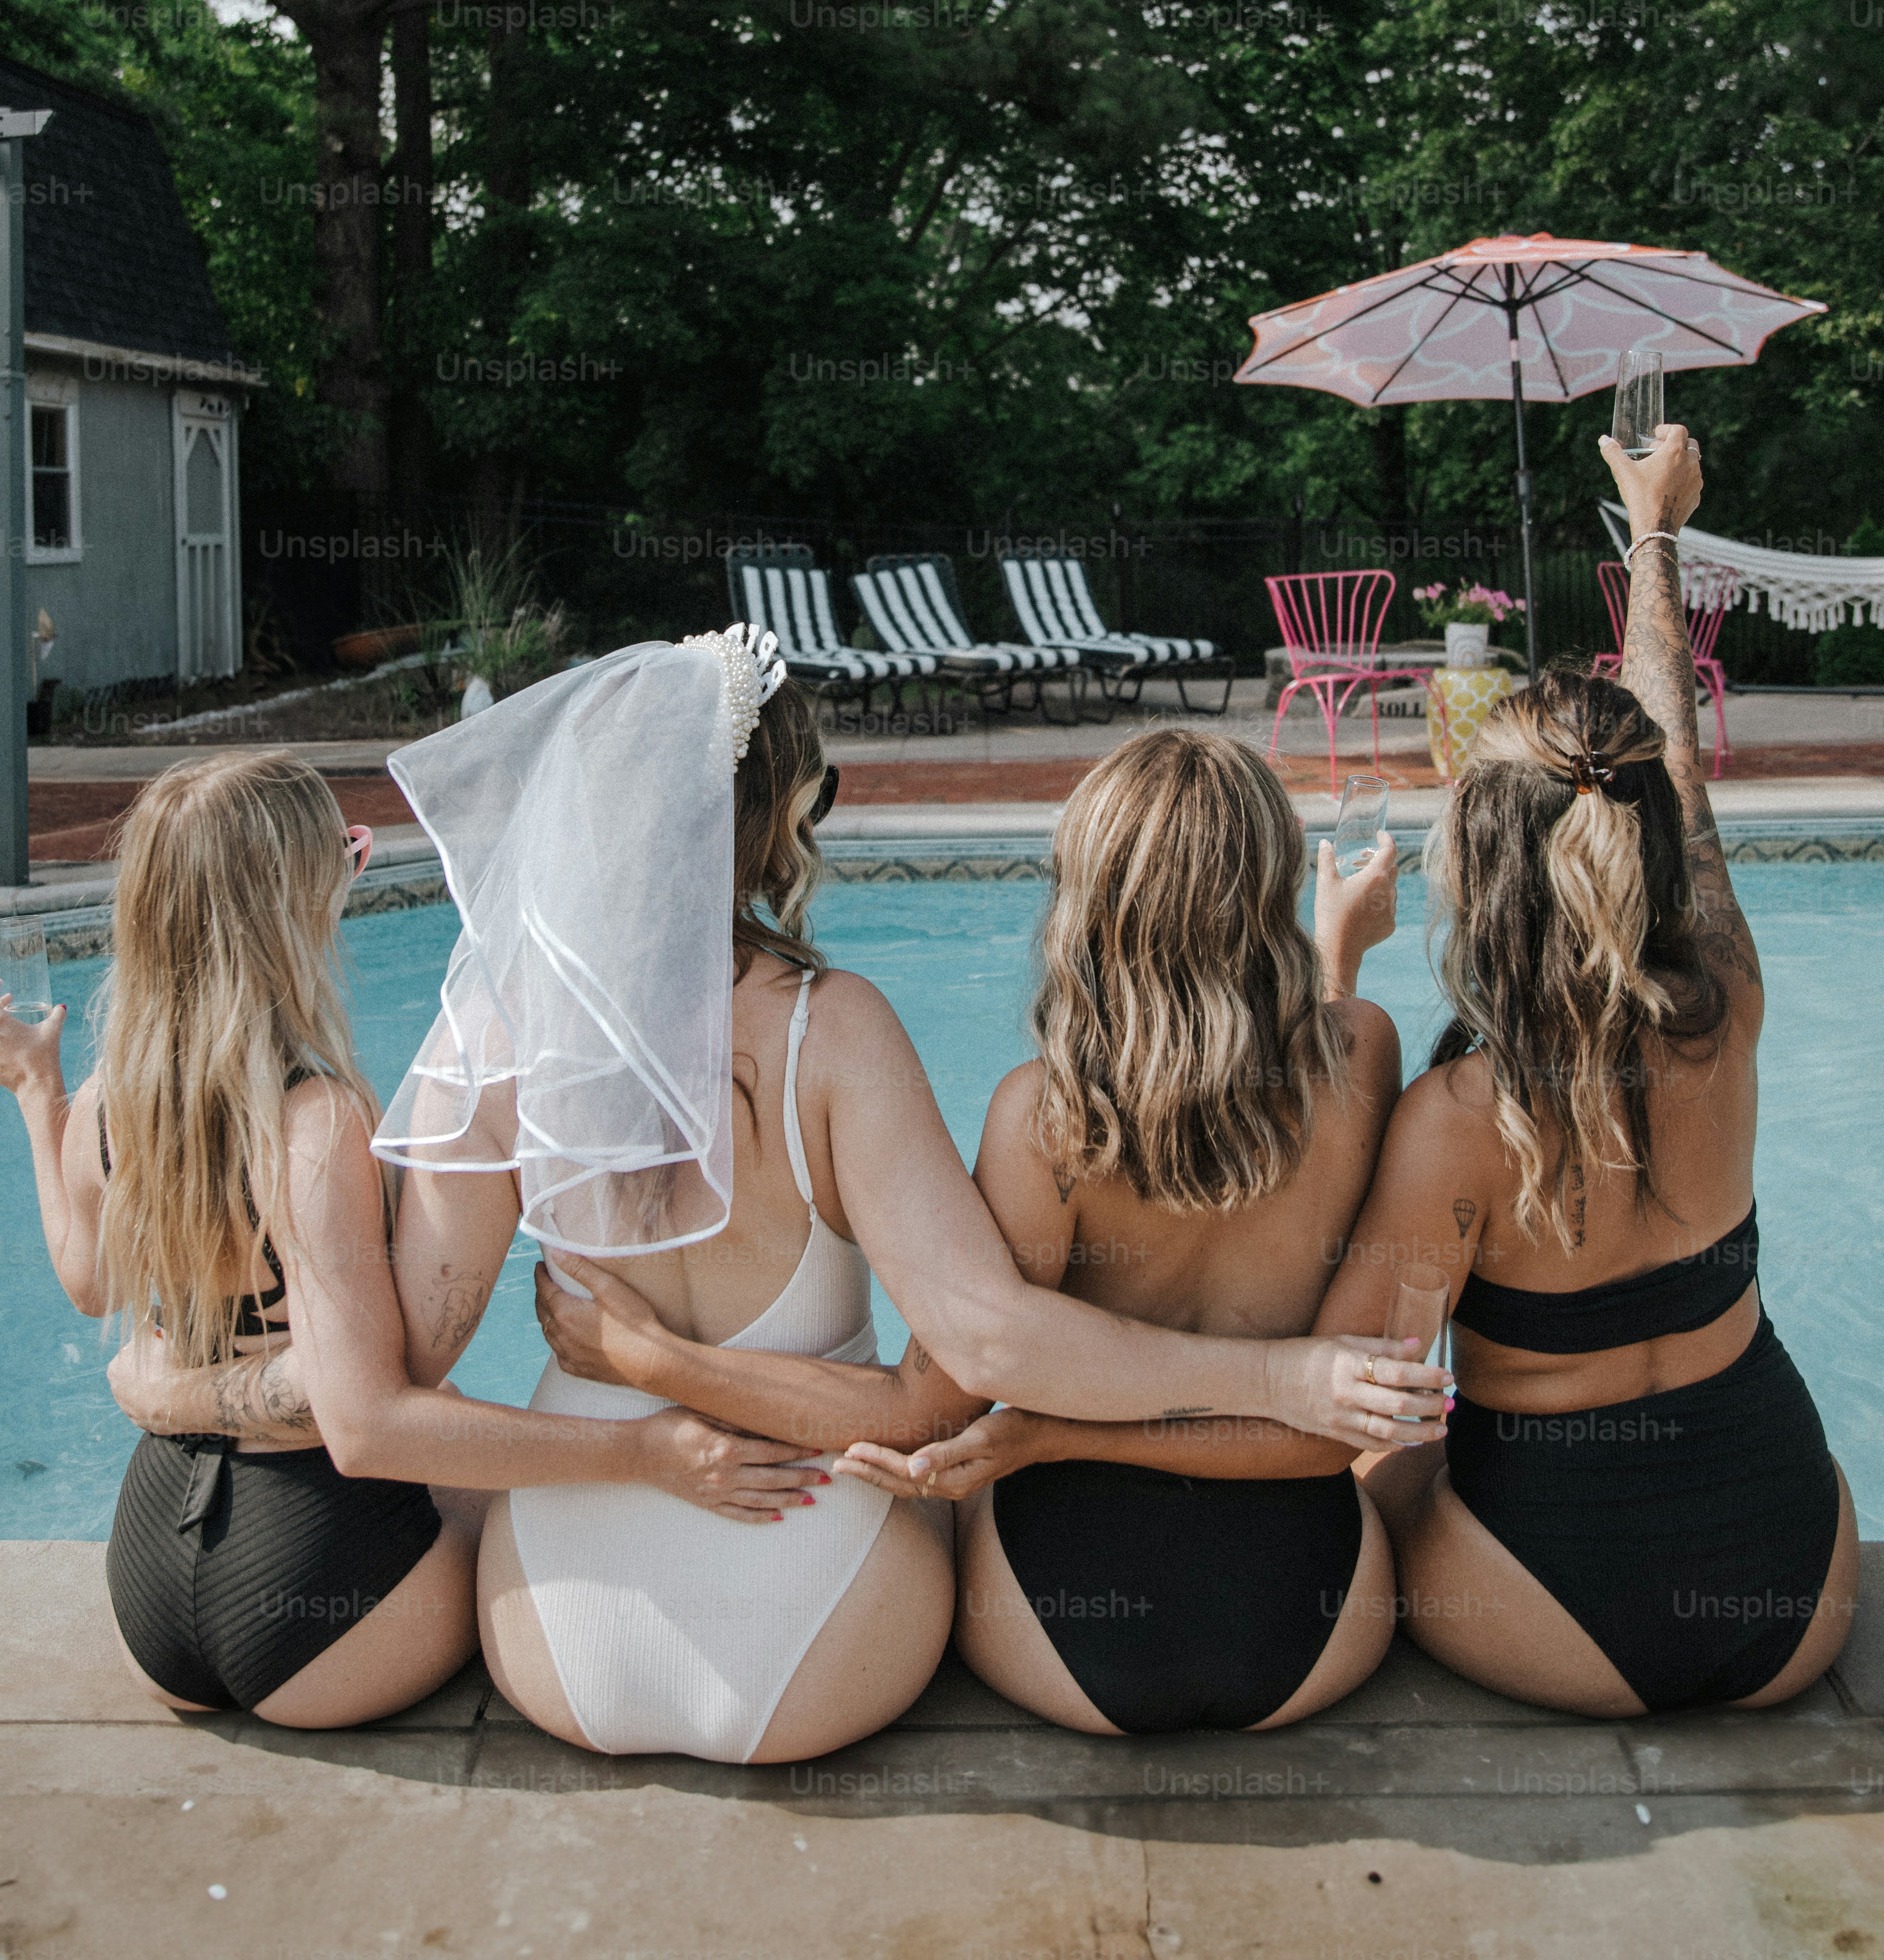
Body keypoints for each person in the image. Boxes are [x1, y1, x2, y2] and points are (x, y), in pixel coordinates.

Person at [542, 728, 1421, 1736]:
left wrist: (657, 1359)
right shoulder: (1364, 1053)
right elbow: (1328, 1424)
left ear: (1086, 902)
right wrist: (1339, 960)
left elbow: (928, 1410)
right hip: (1315, 1622)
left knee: (942, 1492)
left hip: (1062, 1633)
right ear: (1268, 894)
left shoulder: (1045, 1120)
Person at [22, 750, 826, 1728]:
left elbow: (87, 1281)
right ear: (292, 901)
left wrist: (37, 1094)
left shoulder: (108, 1105)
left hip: (150, 1592)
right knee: (537, 1525)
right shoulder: (310, 1120)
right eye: (346, 859)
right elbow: (366, 1427)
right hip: (320, 1613)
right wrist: (642, 1451)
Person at [1303, 425, 1859, 1715]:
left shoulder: (1460, 1117)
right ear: (1649, 834)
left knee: (1366, 1475)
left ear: (1482, 873)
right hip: (1795, 1593)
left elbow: (1339, 1389)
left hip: (1560, 1609)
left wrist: (1332, 987)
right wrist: (1650, 534)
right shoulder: (1725, 1000)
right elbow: (1672, 754)